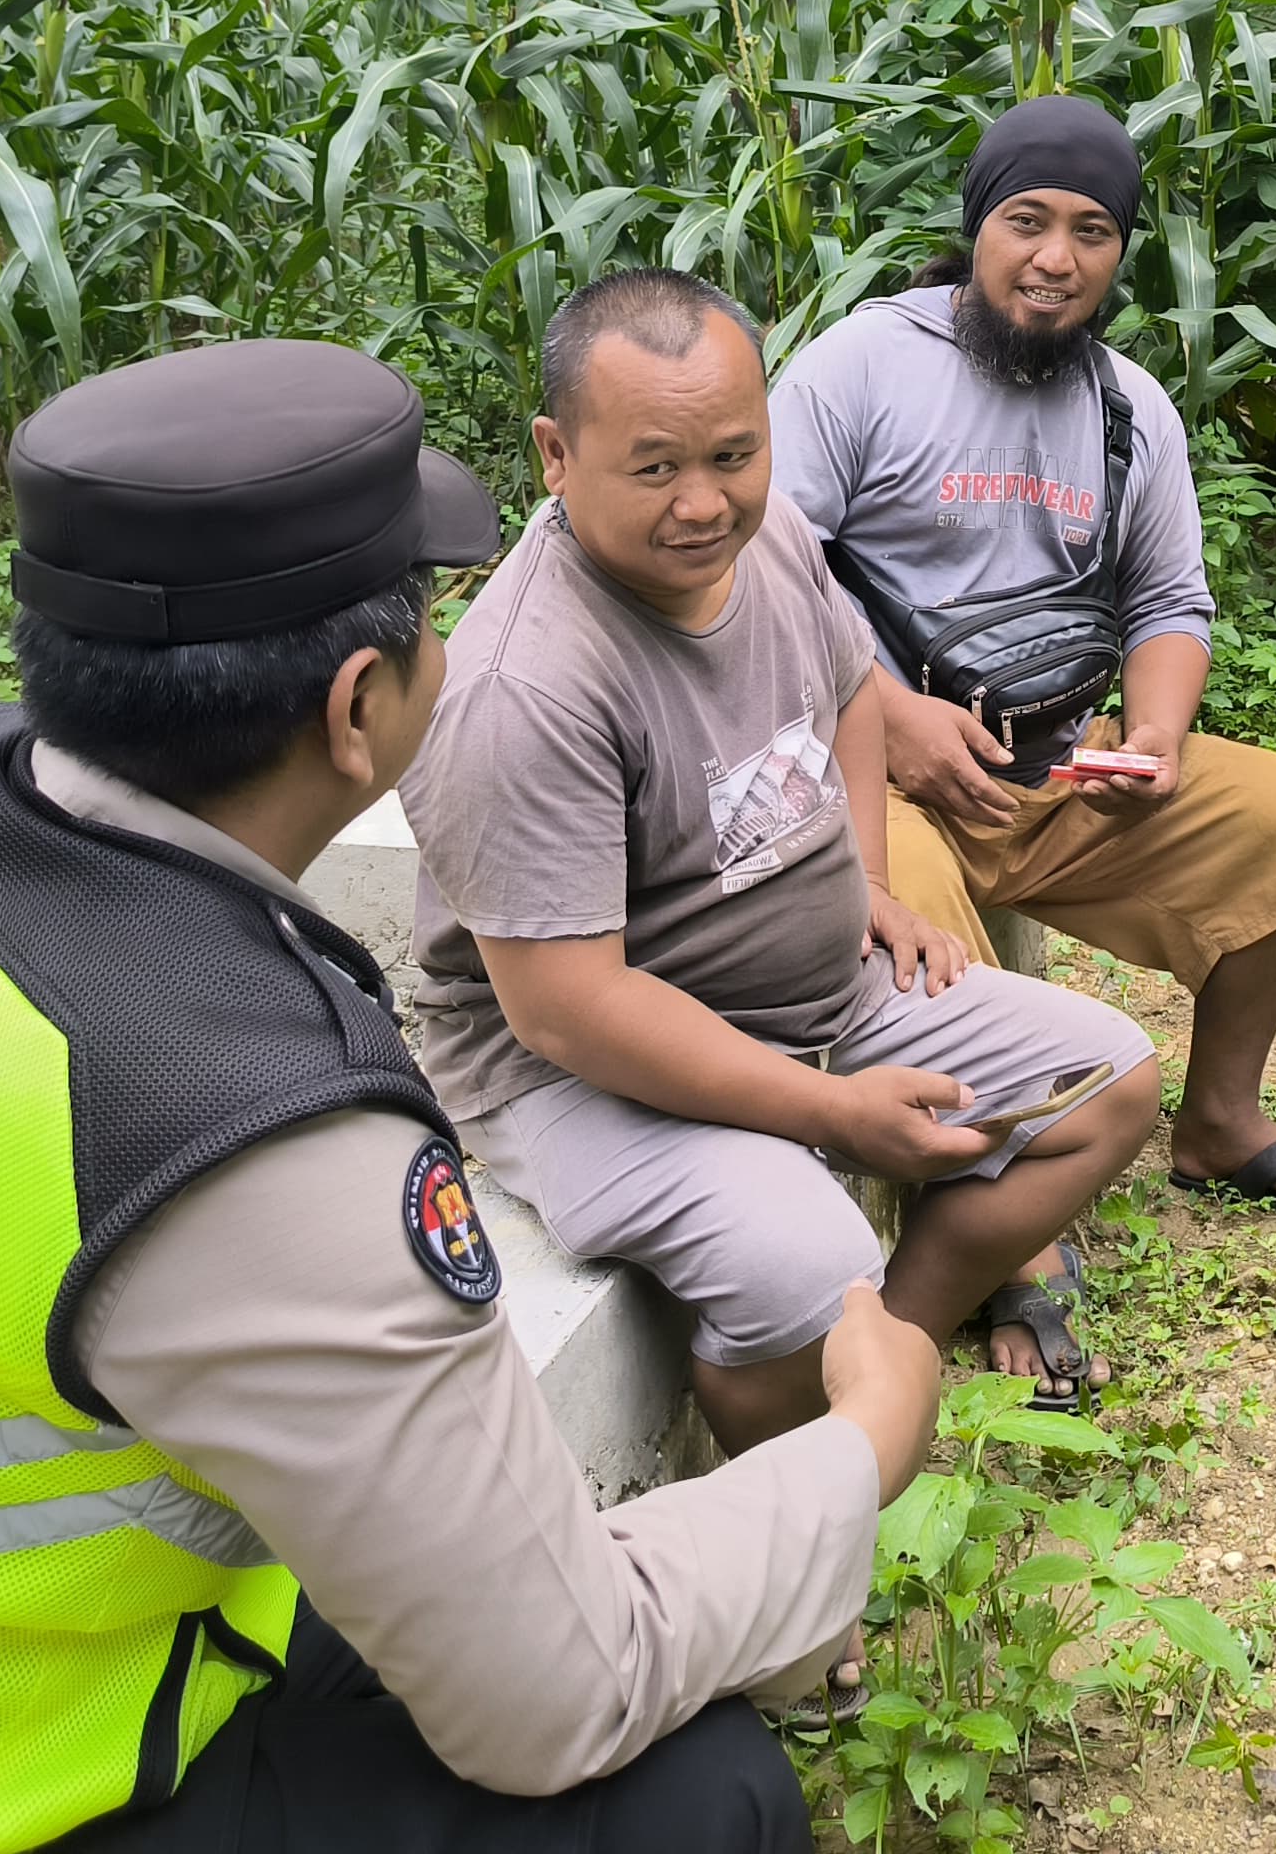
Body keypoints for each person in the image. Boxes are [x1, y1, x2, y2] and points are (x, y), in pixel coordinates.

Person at [0, 338, 938, 1854]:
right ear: (356, 710)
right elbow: (557, 1695)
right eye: (432, 622)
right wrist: (861, 1450)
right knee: (698, 1800)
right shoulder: (247, 1135)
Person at [399, 268, 1165, 1445]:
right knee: (808, 1262)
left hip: (814, 991)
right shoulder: (526, 689)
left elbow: (854, 693)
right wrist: (830, 1111)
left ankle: (877, 1369)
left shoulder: (772, 541)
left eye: (732, 456)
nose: (704, 503)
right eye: (654, 466)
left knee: (1106, 1084)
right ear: (555, 455)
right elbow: (566, 1009)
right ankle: (791, 1553)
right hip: (581, 1069)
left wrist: (864, 883)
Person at [772, 95, 1276, 1400]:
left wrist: (1156, 736)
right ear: (976, 228)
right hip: (877, 770)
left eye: (1093, 231)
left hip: (1057, 764)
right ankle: (1011, 1236)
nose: (1056, 257)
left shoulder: (1130, 412)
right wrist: (887, 720)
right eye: (1027, 221)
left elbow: (1169, 602)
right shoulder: (862, 368)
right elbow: (766, 573)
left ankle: (1219, 1123)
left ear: (1121, 255)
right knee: (921, 952)